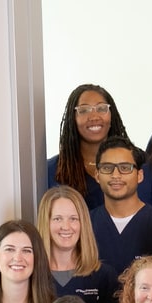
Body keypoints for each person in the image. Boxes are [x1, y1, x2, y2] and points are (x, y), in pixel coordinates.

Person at [85, 136, 152, 303]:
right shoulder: (84, 225)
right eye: (107, 168)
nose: (116, 175)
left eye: (125, 168)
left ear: (140, 175)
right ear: (97, 174)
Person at [46, 83, 126, 211]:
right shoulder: (51, 172)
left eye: (101, 108)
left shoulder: (136, 163)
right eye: (83, 110)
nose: (94, 117)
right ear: (73, 119)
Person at [39, 184, 101, 292]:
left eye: (73, 219)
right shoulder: (32, 276)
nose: (66, 227)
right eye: (58, 219)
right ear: (46, 223)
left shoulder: (103, 276)